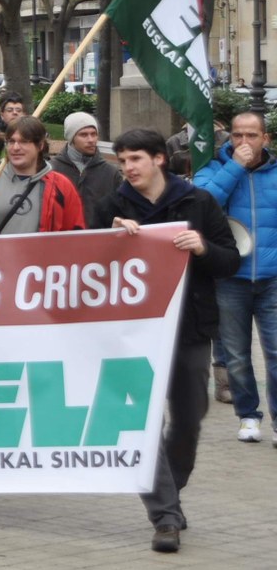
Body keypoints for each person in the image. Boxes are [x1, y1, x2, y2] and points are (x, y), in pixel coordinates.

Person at [92, 128, 239, 554]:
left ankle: (169, 491)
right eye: (121, 161)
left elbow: (229, 261)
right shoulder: (112, 206)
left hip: (188, 330)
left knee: (189, 419)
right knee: (142, 426)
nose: (128, 168)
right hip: (132, 334)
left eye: (135, 159)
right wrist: (108, 241)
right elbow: (84, 264)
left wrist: (203, 248)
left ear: (159, 159)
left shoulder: (199, 203)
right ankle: (166, 516)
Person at [193, 110, 277, 445]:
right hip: (230, 277)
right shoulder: (214, 169)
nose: (244, 142)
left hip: (272, 278)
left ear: (265, 139)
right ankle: (247, 416)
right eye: (237, 135)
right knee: (237, 355)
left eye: (251, 135)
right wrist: (235, 167)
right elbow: (203, 203)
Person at [0, 117, 85, 233]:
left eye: (24, 141)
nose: (15, 148)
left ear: (40, 146)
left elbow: (75, 233)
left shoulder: (61, 186)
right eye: (11, 141)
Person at [48, 111, 122, 227]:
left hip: (100, 240)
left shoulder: (111, 173)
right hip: (62, 241)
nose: (91, 139)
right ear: (71, 138)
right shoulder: (51, 171)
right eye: (84, 135)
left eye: (94, 134)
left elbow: (121, 212)